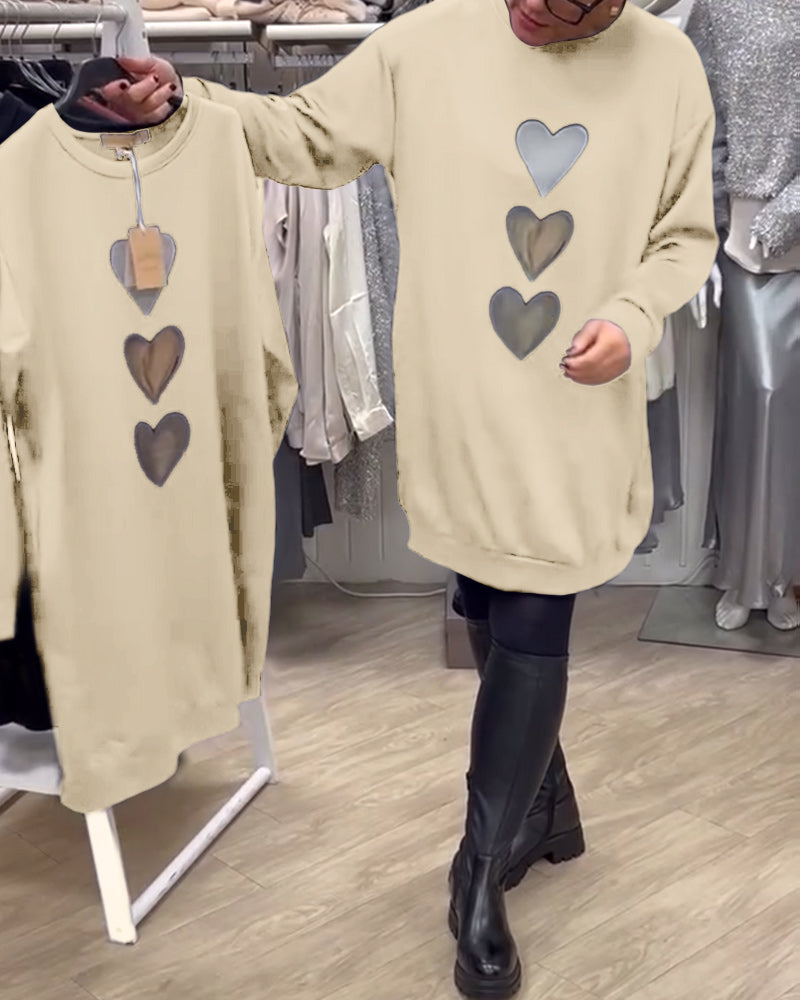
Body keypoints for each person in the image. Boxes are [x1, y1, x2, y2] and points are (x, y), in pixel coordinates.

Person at [87, 1, 718, 995]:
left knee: (535, 610)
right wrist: (181, 104)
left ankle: (477, 871)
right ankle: (544, 804)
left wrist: (634, 316)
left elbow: (683, 235)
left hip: (573, 408)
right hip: (456, 402)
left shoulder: (667, 65)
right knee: (484, 598)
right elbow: (299, 133)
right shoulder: (425, 44)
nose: (536, 11)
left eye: (570, 4)